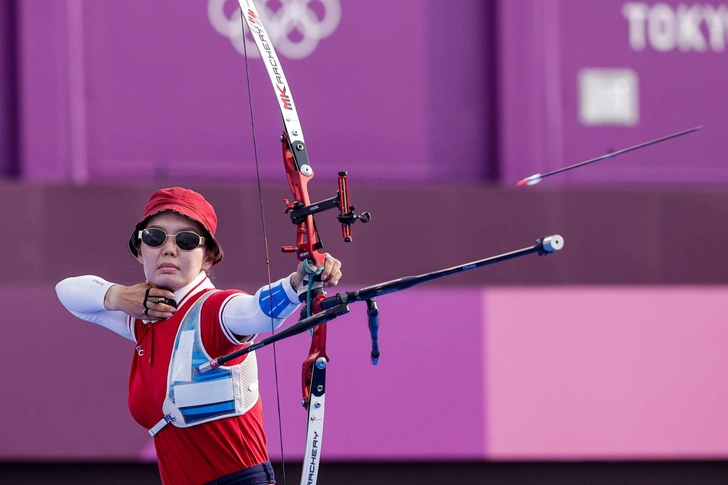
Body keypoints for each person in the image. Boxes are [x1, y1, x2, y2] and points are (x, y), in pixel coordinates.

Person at [55, 187, 342, 485]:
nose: (169, 249)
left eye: (186, 240)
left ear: (208, 258)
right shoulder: (144, 317)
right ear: (140, 250)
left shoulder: (215, 311)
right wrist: (117, 296)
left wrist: (297, 284)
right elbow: (67, 292)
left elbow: (255, 311)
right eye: (155, 237)